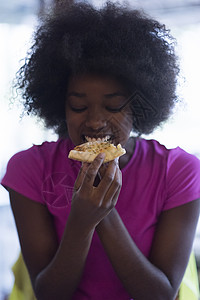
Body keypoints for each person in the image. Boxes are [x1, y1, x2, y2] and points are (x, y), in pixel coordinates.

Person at [1, 1, 200, 299]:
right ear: (59, 105)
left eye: (114, 106)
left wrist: (103, 214)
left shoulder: (180, 171)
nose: (95, 121)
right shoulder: (28, 169)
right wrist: (82, 221)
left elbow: (160, 295)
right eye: (78, 106)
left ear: (138, 105)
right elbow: (48, 294)